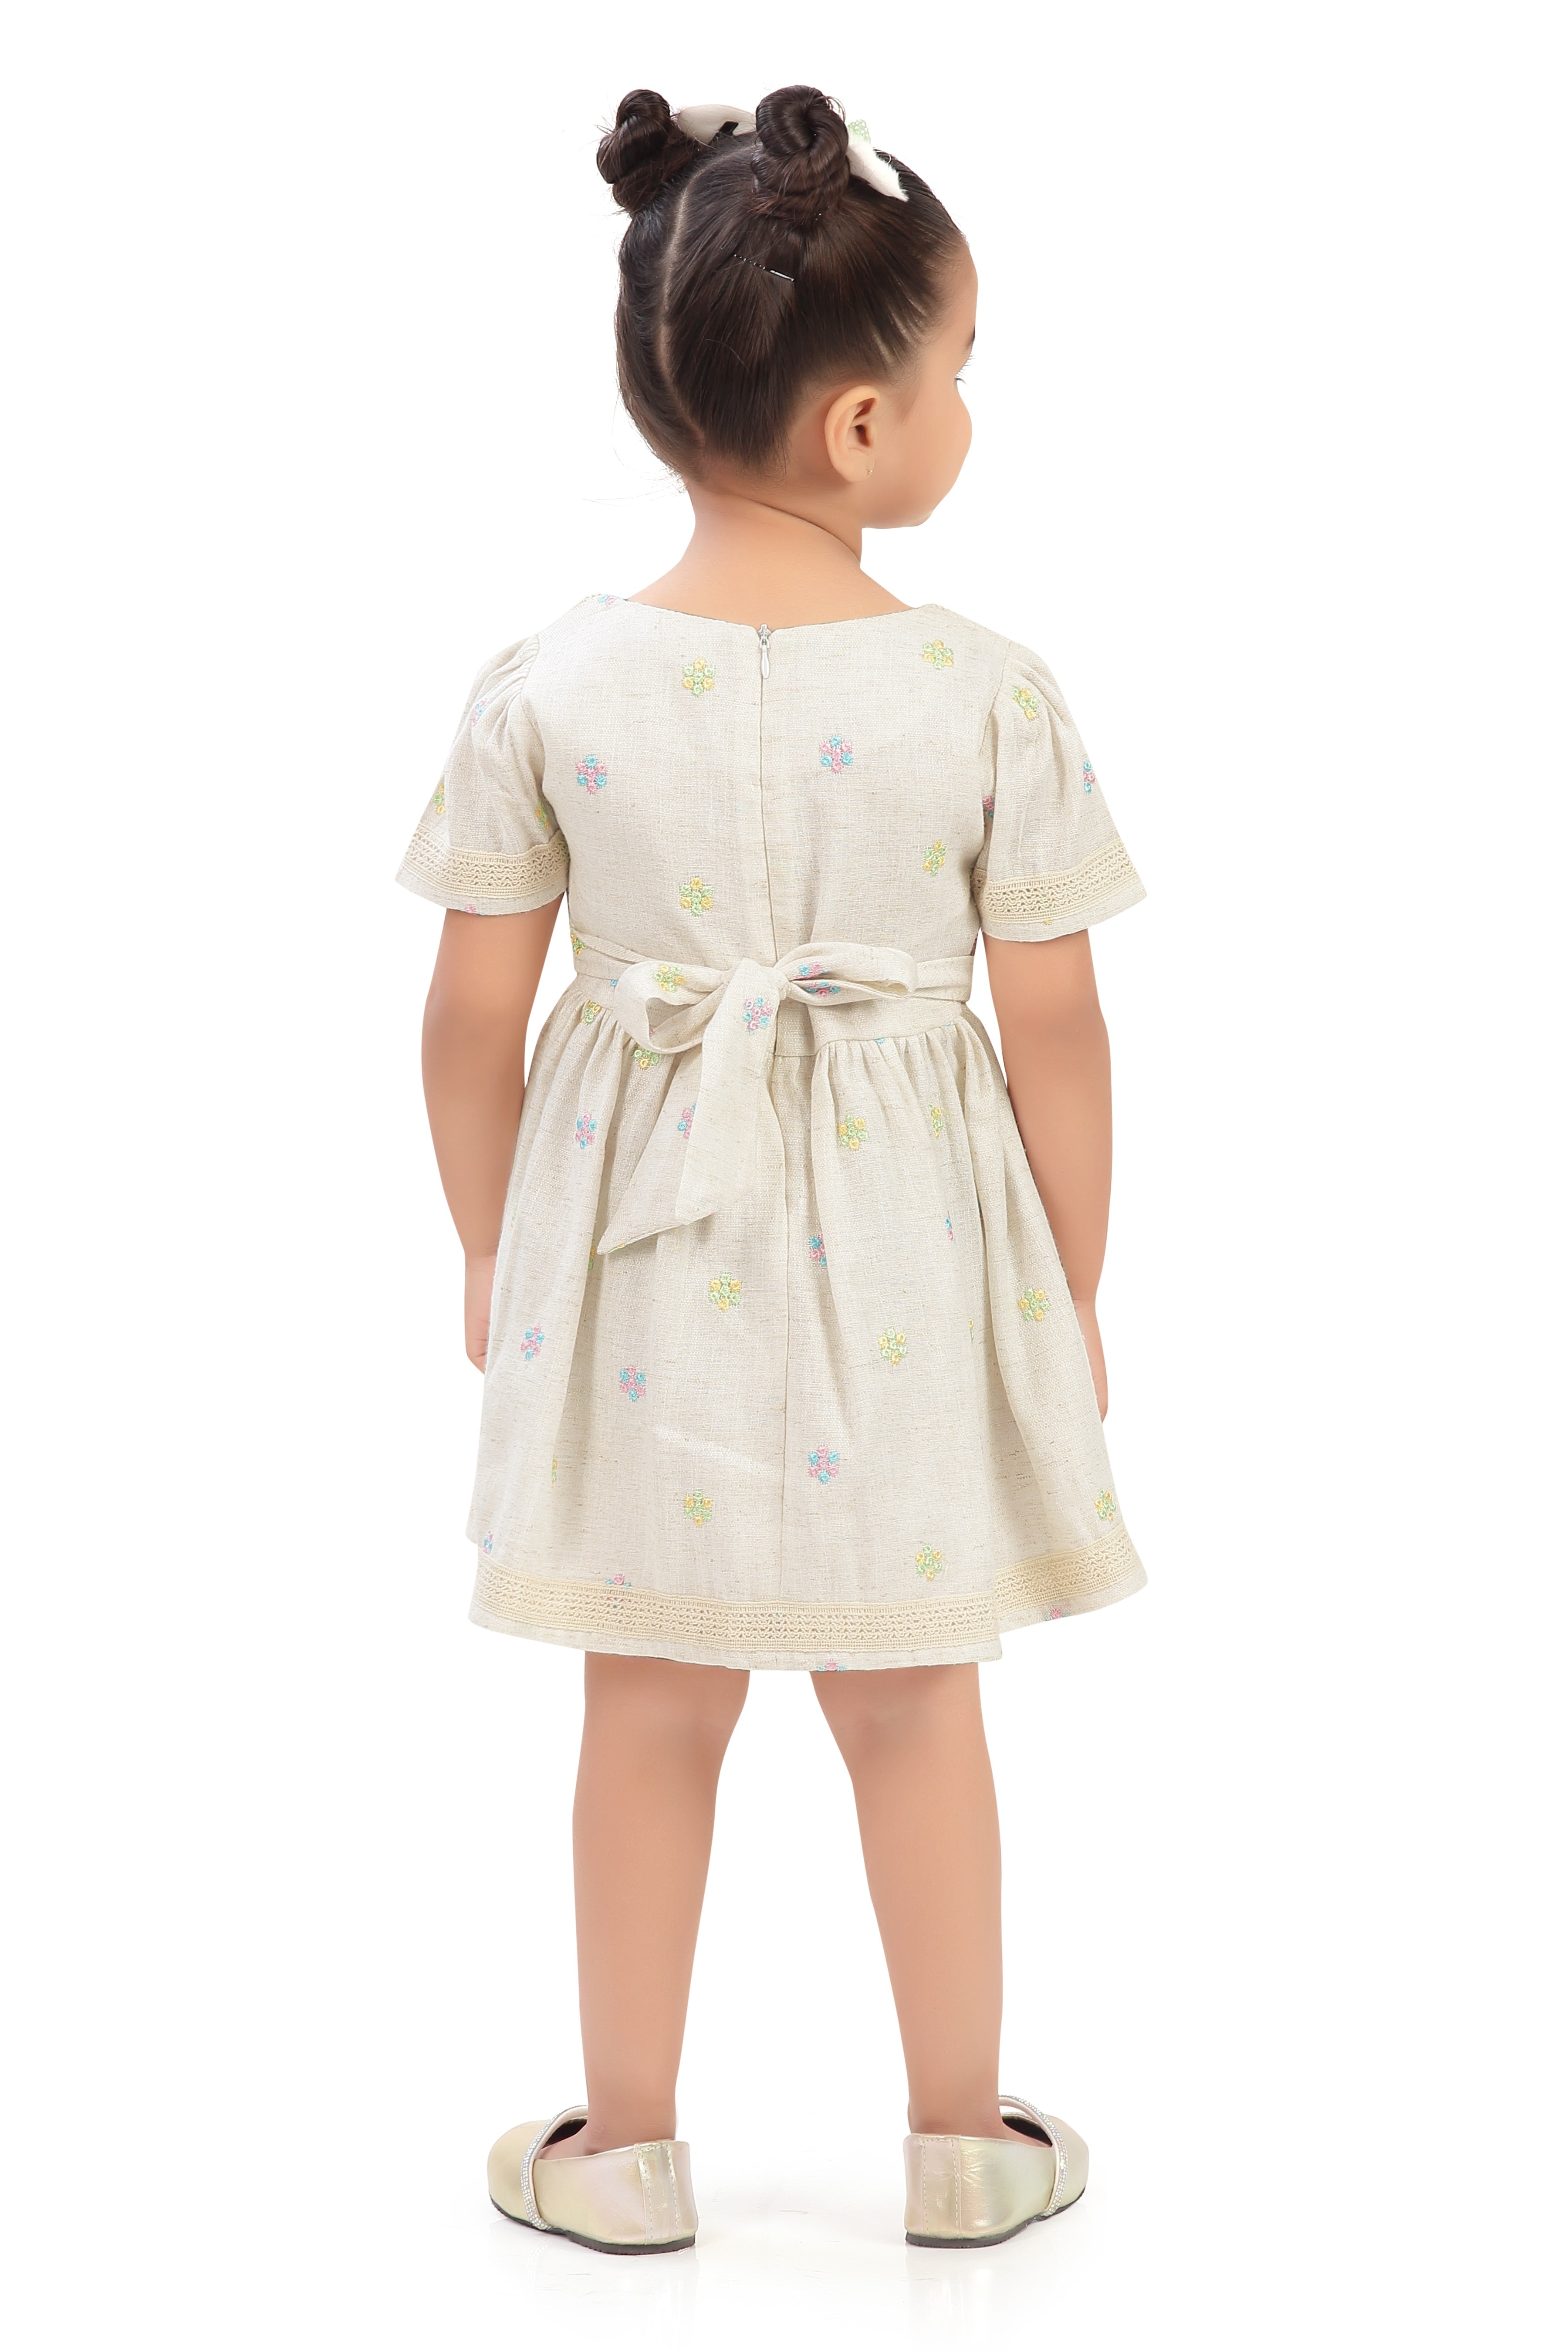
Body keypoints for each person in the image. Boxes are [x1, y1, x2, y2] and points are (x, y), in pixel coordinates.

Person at [398, 85, 1147, 2257]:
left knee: (648, 1698)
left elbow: (464, 1021)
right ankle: (965, 2143)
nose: (968, 414)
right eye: (962, 374)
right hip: (914, 1262)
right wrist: (1072, 1287)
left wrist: (489, 1249)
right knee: (915, 1700)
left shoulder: (547, 685)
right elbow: (1061, 1033)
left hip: (640, 1257)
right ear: (860, 428)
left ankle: (622, 2151)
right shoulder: (987, 695)